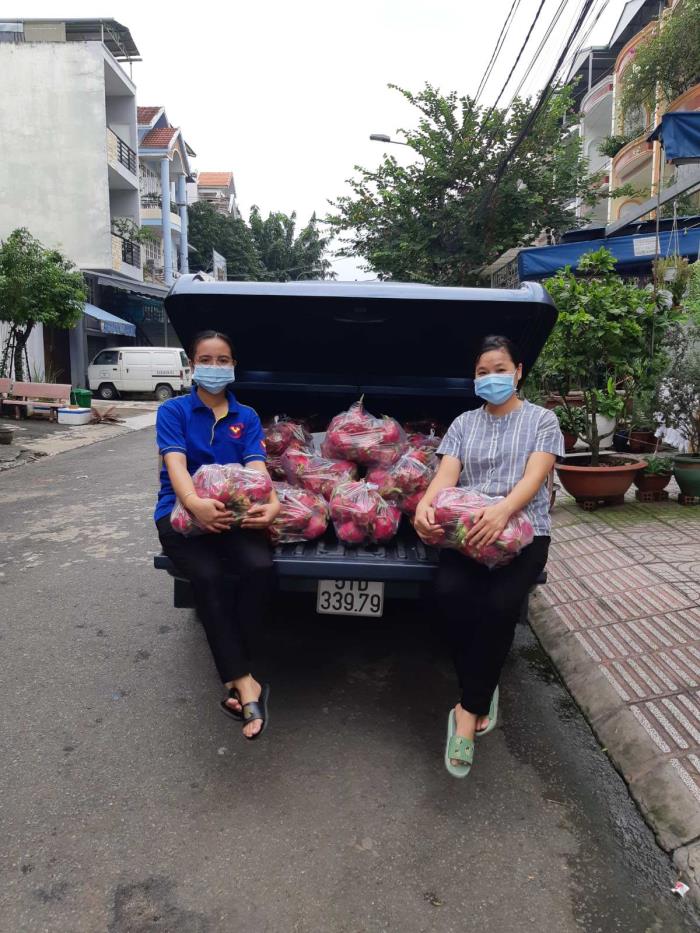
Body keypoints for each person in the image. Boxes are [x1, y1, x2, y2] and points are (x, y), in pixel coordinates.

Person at [414, 335, 564, 778]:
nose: (491, 378)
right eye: (482, 372)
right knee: (452, 594)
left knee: (500, 607)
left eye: (500, 369)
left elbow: (535, 477)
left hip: (526, 531)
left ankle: (467, 709)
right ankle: (483, 684)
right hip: (468, 532)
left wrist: (503, 510)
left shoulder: (542, 420)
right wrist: (425, 505)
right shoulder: (463, 423)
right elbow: (446, 474)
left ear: (518, 371)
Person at [154, 330, 280, 739]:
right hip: (180, 515)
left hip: (231, 515)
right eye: (206, 359)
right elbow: (174, 463)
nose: (214, 367)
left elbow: (257, 467)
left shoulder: (247, 416)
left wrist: (274, 504)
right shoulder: (173, 411)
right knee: (208, 578)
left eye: (223, 359)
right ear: (193, 366)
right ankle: (245, 682)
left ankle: (239, 669)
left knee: (260, 568)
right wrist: (194, 503)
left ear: (233, 366)